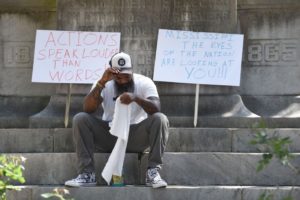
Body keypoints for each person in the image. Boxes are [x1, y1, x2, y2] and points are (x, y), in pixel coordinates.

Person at [65, 52, 169, 188]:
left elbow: (156, 108)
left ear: (132, 71)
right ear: (112, 74)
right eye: (119, 77)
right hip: (110, 135)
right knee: (80, 118)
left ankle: (153, 173)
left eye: (127, 76)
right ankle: (87, 174)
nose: (124, 80)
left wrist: (136, 98)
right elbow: (88, 109)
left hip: (136, 136)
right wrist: (101, 82)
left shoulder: (144, 82)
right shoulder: (104, 84)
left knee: (160, 119)